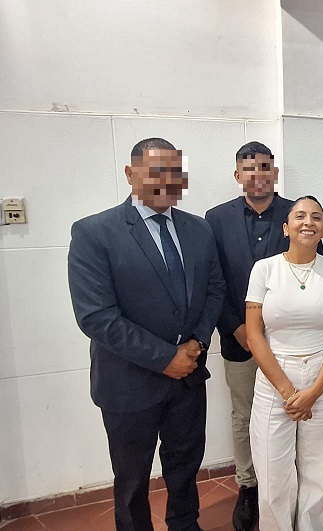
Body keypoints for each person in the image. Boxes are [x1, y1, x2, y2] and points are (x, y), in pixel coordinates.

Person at [68, 138, 225, 531]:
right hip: (127, 382)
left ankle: (185, 524)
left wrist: (198, 343)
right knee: (132, 480)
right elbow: (96, 317)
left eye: (174, 172)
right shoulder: (94, 232)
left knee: (185, 467)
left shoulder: (199, 229)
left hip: (188, 378)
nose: (165, 181)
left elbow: (214, 289)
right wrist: (165, 358)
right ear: (130, 174)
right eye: (155, 172)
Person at [205, 141, 323, 531]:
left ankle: (291, 486)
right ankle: (248, 485)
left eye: (265, 167)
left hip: (291, 344)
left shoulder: (298, 213)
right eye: (249, 168)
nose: (258, 175)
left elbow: (314, 269)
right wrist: (236, 326)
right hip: (239, 339)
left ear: (275, 172)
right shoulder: (215, 218)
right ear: (237, 175)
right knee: (244, 416)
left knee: (294, 413)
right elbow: (213, 280)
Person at [245, 196, 323, 531]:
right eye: (300, 216)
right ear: (286, 228)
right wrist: (289, 392)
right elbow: (254, 335)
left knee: (318, 473)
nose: (308, 222)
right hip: (274, 379)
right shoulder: (264, 269)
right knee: (272, 475)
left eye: (316, 217)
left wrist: (314, 391)